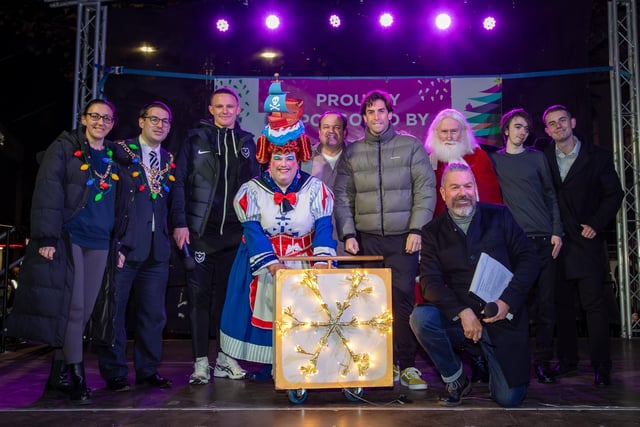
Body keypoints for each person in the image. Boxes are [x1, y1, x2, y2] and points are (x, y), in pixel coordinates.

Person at [218, 81, 336, 378]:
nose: (283, 163)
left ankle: (296, 363)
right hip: (264, 266)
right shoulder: (251, 190)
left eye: (289, 158)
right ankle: (267, 364)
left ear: (299, 160)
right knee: (258, 314)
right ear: (267, 160)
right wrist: (271, 264)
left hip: (302, 263)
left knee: (302, 318)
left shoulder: (316, 189)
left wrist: (321, 259)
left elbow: (323, 226)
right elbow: (252, 229)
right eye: (277, 158)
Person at [6, 99, 118, 404]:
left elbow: (120, 204)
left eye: (106, 118)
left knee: (83, 314)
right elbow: (48, 192)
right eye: (94, 116)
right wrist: (46, 237)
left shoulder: (112, 156)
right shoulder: (64, 147)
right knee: (74, 308)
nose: (100, 122)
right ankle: (77, 378)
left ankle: (57, 376)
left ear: (113, 123)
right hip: (71, 237)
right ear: (83, 118)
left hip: (100, 242)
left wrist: (120, 243)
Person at [410, 162, 539, 407]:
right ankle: (456, 378)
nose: (462, 193)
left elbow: (529, 260)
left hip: (500, 319)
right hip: (460, 322)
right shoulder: (432, 231)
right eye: (455, 187)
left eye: (468, 186)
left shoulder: (500, 216)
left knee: (509, 399)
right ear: (443, 193)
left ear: (476, 190)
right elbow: (429, 282)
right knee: (421, 318)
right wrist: (462, 311)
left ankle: (489, 362)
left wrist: (507, 302)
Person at [333, 89, 436, 390]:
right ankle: (378, 364)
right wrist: (348, 234)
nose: (376, 117)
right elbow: (342, 196)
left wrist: (417, 229)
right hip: (365, 241)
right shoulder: (351, 152)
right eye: (370, 112)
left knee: (402, 301)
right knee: (366, 303)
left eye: (381, 111)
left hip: (403, 239)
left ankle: (406, 366)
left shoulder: (410, 146)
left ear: (391, 114)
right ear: (363, 117)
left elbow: (425, 190)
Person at [171, 87, 260, 385]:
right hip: (201, 235)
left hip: (235, 237)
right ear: (210, 109)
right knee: (199, 300)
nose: (224, 111)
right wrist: (180, 223)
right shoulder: (195, 138)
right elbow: (179, 183)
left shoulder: (248, 142)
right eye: (219, 106)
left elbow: (256, 189)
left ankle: (225, 360)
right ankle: (200, 363)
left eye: (230, 107)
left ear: (238, 109)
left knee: (228, 302)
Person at [541, 104, 623, 386]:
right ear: (547, 130)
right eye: (552, 123)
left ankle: (602, 366)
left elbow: (614, 194)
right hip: (557, 242)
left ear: (573, 122)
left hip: (586, 243)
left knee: (594, 306)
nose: (558, 126)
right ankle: (567, 363)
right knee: (562, 306)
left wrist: (596, 224)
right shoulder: (543, 157)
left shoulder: (597, 156)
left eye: (562, 120)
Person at [97, 101, 176, 392]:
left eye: (165, 121)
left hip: (157, 250)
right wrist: (114, 240)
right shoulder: (120, 152)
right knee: (115, 312)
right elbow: (109, 199)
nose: (159, 125)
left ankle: (147, 370)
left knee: (154, 314)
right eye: (153, 119)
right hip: (125, 247)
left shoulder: (167, 158)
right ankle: (115, 373)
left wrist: (178, 227)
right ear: (140, 121)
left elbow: (173, 200)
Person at [489, 108, 563, 384]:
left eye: (526, 129)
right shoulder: (494, 161)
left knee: (546, 305)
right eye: (517, 127)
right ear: (505, 129)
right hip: (512, 245)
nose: (521, 132)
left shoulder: (537, 158)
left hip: (544, 240)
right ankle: (510, 362)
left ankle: (543, 362)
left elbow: (550, 195)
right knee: (513, 305)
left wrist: (557, 231)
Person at [423, 108, 502, 217]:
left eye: (454, 131)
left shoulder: (479, 156)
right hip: (442, 226)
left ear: (463, 132)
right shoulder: (428, 161)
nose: (449, 137)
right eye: (444, 132)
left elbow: (492, 195)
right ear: (436, 133)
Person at [302, 110, 348, 256]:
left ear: (345, 132)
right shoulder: (305, 158)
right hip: (314, 241)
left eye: (337, 127)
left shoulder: (357, 156)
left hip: (348, 240)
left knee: (349, 279)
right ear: (319, 131)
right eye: (326, 127)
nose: (331, 131)